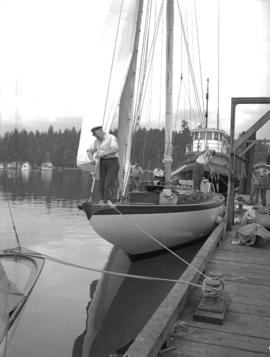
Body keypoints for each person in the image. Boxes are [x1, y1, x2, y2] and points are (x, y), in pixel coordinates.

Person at [87, 126, 119, 205]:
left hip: (112, 162)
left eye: (95, 134)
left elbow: (115, 149)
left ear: (100, 131)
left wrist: (102, 154)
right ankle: (103, 201)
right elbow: (89, 151)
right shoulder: (96, 141)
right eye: (93, 134)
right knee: (101, 185)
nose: (95, 135)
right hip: (102, 163)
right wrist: (91, 159)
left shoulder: (111, 137)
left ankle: (108, 201)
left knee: (108, 183)